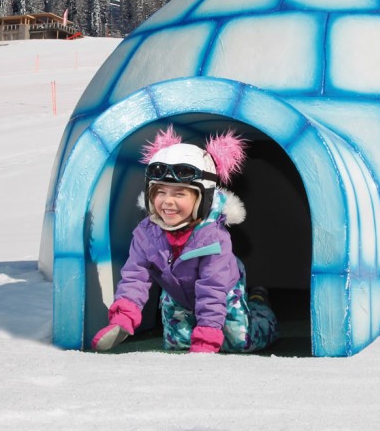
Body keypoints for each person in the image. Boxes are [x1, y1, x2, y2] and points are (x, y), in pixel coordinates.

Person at [92, 125, 279, 353]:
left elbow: (212, 288)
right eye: (160, 192)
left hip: (224, 293)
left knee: (240, 342)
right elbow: (135, 276)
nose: (167, 201)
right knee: (178, 345)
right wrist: (123, 318)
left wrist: (208, 337)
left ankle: (259, 303)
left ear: (203, 198)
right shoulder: (147, 233)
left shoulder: (213, 238)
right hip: (177, 296)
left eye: (179, 193)